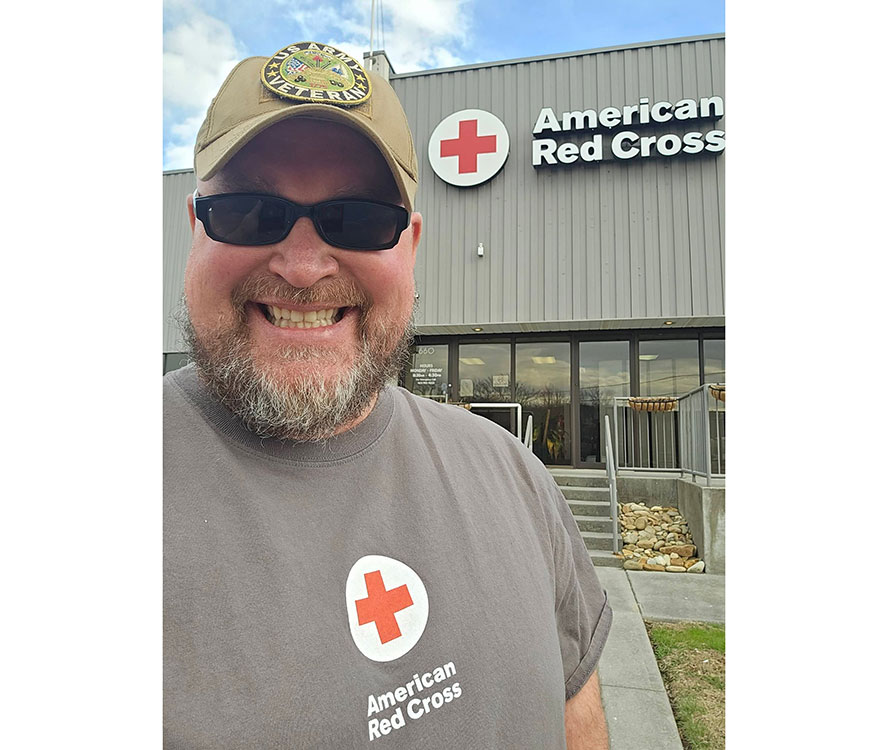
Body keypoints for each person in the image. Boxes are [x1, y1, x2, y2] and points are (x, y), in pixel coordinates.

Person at [164, 41, 613, 749]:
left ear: (411, 245)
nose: (305, 267)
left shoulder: (515, 476)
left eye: (360, 217)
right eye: (251, 212)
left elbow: (576, 724)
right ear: (195, 229)